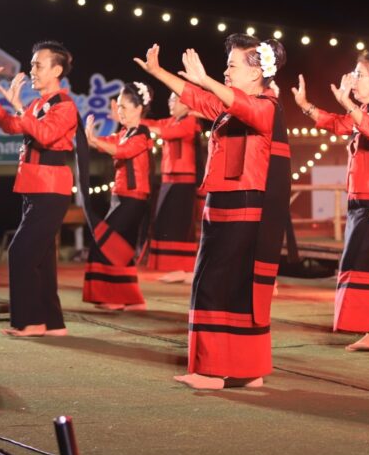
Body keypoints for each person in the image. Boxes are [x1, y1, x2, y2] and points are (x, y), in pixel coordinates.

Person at [135, 34, 289, 390]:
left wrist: (205, 79)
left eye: (232, 65)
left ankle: (212, 370)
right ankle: (247, 370)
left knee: (214, 284)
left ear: (257, 73)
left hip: (242, 204)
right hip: (226, 202)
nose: (226, 71)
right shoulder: (232, 105)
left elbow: (236, 104)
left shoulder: (266, 106)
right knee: (231, 287)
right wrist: (159, 72)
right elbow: (199, 98)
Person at [292, 53, 369, 352]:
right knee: (358, 263)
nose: (354, 80)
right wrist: (305, 105)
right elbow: (337, 123)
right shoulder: (366, 111)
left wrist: (348, 104)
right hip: (362, 198)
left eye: (360, 75)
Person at [0, 41, 78, 337]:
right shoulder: (37, 105)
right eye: (32, 64)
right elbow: (13, 125)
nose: (32, 70)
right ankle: (52, 323)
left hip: (51, 187)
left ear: (56, 70)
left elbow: (45, 135)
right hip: (34, 185)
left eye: (38, 65)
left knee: (21, 252)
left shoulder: (65, 106)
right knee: (42, 259)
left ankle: (31, 321)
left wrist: (20, 107)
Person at [81, 83, 153, 309]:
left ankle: (114, 297)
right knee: (121, 249)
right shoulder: (123, 133)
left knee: (107, 245)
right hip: (120, 197)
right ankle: (130, 299)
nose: (119, 111)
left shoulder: (142, 133)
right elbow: (109, 144)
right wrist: (92, 138)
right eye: (118, 106)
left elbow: (123, 151)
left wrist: (95, 140)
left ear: (138, 108)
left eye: (123, 106)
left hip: (133, 198)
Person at [143, 92, 200, 283]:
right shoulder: (171, 121)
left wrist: (142, 125)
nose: (170, 103)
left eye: (174, 100)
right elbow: (155, 125)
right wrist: (132, 120)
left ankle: (183, 267)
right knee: (165, 222)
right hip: (169, 179)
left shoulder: (190, 121)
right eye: (169, 100)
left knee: (179, 224)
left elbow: (167, 133)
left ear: (186, 104)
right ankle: (172, 267)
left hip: (184, 180)